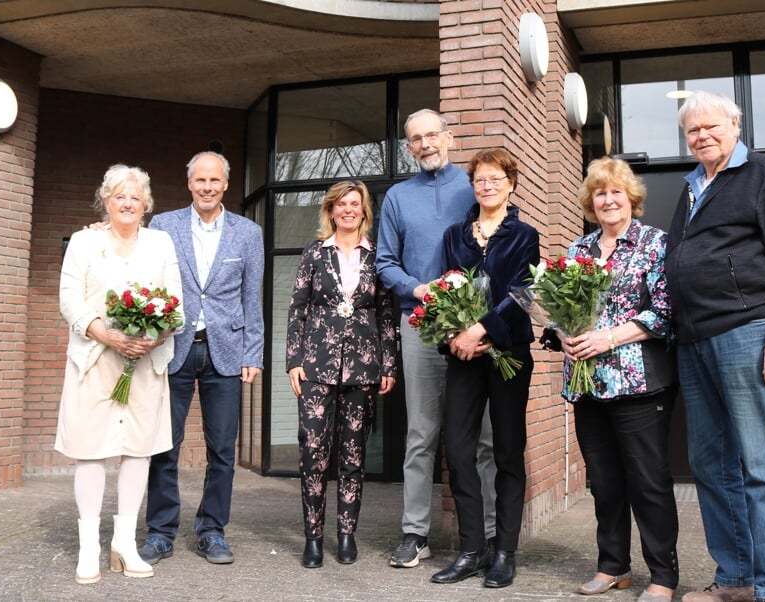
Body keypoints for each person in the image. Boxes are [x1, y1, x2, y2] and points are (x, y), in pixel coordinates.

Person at [666, 90, 765, 602]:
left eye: (712, 126)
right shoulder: (692, 187)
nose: (702, 136)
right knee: (710, 464)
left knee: (761, 464)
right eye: (693, 131)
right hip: (694, 341)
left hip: (747, 333)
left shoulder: (764, 174)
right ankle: (736, 579)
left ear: (735, 123)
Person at [551, 157, 679, 602]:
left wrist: (606, 338)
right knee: (603, 482)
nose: (608, 200)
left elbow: (664, 312)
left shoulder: (655, 243)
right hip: (587, 385)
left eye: (616, 192)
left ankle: (662, 575)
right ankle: (613, 566)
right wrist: (563, 335)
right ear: (591, 201)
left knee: (647, 481)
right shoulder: (578, 250)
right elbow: (558, 313)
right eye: (600, 193)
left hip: (637, 383)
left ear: (631, 199)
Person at [376, 108, 498, 568]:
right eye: (416, 139)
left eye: (432, 135)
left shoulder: (474, 186)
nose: (425, 144)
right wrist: (417, 287)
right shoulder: (397, 198)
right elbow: (385, 262)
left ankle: (487, 533)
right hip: (420, 327)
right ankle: (414, 534)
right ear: (409, 147)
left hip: (473, 329)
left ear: (448, 138)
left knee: (483, 435)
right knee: (421, 433)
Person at [138, 151, 265, 566]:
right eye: (200, 180)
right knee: (164, 447)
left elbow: (253, 298)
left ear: (226, 184)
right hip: (172, 348)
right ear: (189, 183)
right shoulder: (163, 225)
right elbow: (143, 272)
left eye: (215, 180)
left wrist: (253, 353)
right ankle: (160, 532)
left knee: (223, 450)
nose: (207, 187)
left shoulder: (247, 232)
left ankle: (212, 529)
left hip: (224, 351)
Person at [57, 164, 182, 583]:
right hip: (96, 358)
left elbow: (175, 304)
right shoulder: (83, 241)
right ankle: (89, 546)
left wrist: (154, 335)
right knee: (91, 450)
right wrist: (108, 335)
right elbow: (69, 298)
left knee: (137, 451)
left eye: (135, 197)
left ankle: (125, 543)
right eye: (118, 196)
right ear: (105, 201)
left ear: (146, 204)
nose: (127, 203)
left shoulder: (161, 243)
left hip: (145, 362)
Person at [430, 148, 538, 588]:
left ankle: (504, 553)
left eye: (495, 178)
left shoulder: (524, 234)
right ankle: (472, 550)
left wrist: (483, 330)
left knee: (509, 451)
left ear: (510, 183)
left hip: (508, 353)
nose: (486, 185)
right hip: (464, 356)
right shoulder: (455, 234)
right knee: (457, 449)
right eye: (479, 179)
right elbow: (443, 291)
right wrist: (456, 337)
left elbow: (525, 293)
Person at [286, 180, 399, 568]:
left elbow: (386, 314)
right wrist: (293, 360)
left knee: (352, 454)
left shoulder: (377, 256)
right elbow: (297, 307)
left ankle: (346, 534)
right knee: (313, 452)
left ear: (365, 211)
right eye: (341, 204)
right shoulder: (314, 253)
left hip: (363, 369)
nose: (348, 210)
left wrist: (389, 364)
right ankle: (313, 537)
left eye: (355, 204)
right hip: (316, 365)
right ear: (331, 211)